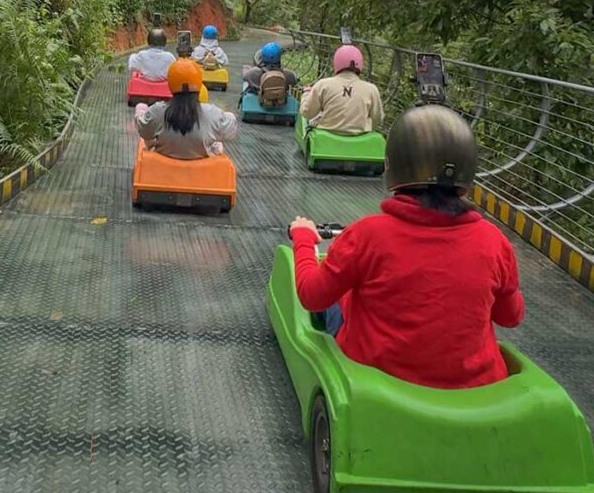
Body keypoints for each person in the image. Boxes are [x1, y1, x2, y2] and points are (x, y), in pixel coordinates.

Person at [288, 105, 524, 389]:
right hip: (473, 385)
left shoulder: (367, 234)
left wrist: (303, 239)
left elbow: (312, 296)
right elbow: (510, 317)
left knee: (334, 299)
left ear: (394, 165)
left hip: (380, 378)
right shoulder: (493, 240)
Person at [134, 58, 238, 159]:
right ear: (198, 83)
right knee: (217, 143)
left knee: (142, 111)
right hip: (202, 171)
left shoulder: (157, 112)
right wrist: (227, 115)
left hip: (163, 169)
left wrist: (141, 110)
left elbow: (143, 130)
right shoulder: (212, 113)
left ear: (170, 83)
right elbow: (230, 130)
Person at [300, 44, 384, 135]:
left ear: (336, 62)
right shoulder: (371, 89)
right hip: (360, 138)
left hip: (327, 137)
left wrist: (305, 94)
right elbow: (378, 118)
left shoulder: (323, 85)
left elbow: (307, 113)